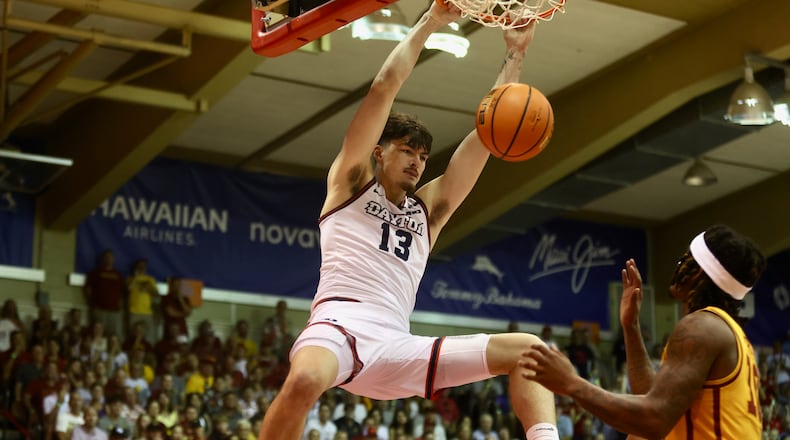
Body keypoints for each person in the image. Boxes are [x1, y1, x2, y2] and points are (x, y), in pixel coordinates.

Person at [257, 4, 557, 440]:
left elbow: (488, 136)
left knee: (531, 351)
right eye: (406, 151)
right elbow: (383, 87)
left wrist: (515, 57)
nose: (417, 162)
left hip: (397, 344)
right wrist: (431, 21)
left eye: (422, 156)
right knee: (303, 381)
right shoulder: (351, 183)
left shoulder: (428, 210)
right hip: (340, 326)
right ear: (379, 152)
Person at [521, 224, 767, 439]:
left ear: (699, 272)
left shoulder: (702, 327)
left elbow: (653, 419)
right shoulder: (729, 333)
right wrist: (631, 327)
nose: (679, 264)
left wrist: (572, 383)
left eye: (686, 259)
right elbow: (651, 398)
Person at [84, 249, 125, 340]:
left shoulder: (118, 274)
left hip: (114, 310)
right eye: (106, 257)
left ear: (113, 260)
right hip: (100, 309)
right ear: (103, 259)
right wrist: (91, 303)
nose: (109, 259)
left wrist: (120, 304)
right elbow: (88, 289)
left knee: (113, 334)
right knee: (98, 333)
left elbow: (122, 292)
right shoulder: (95, 272)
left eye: (110, 257)